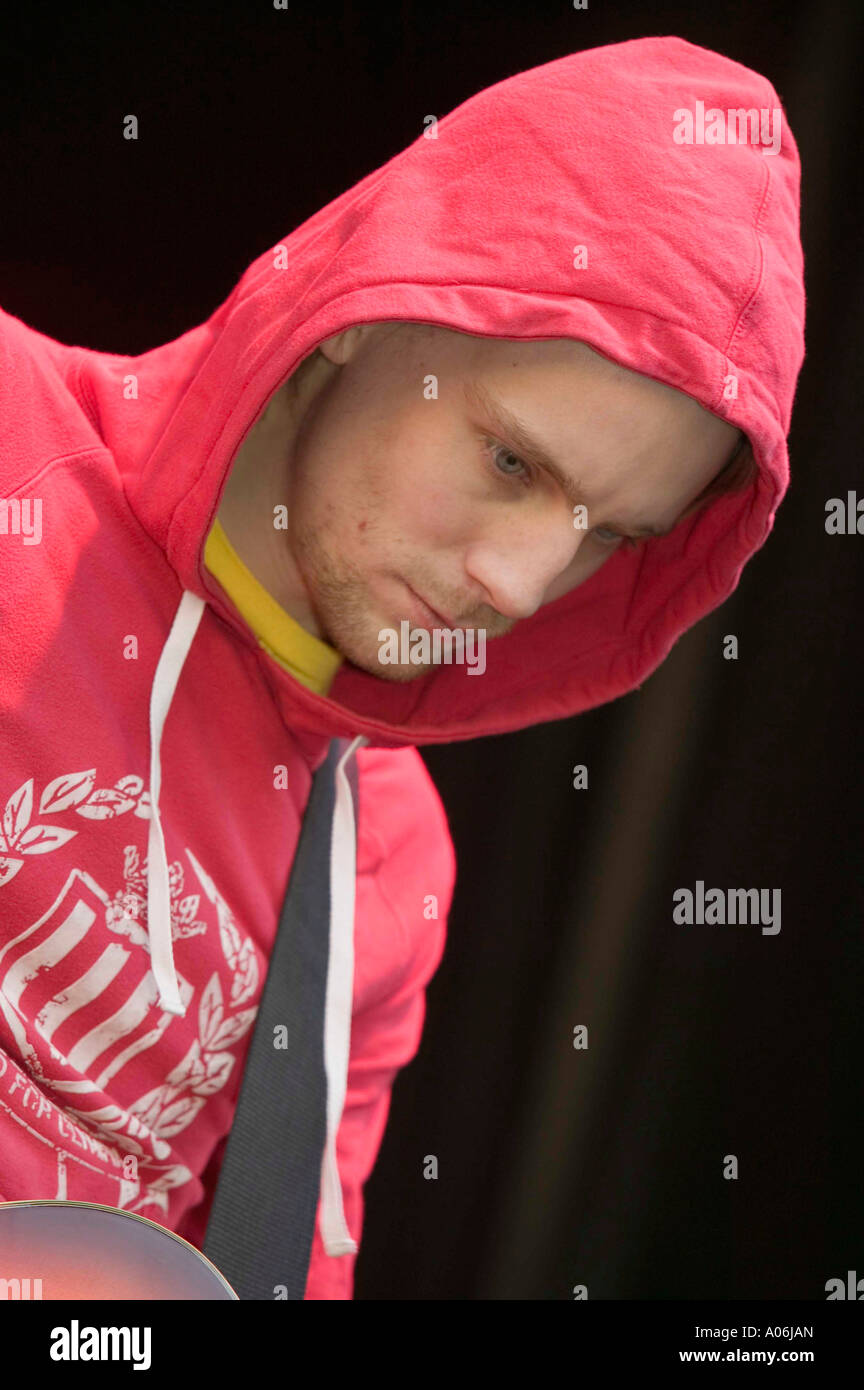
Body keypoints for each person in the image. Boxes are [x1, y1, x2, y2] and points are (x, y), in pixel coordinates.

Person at [0, 34, 805, 1298]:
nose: (524, 584)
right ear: (353, 316)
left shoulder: (385, 861)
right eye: (512, 463)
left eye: (607, 533)